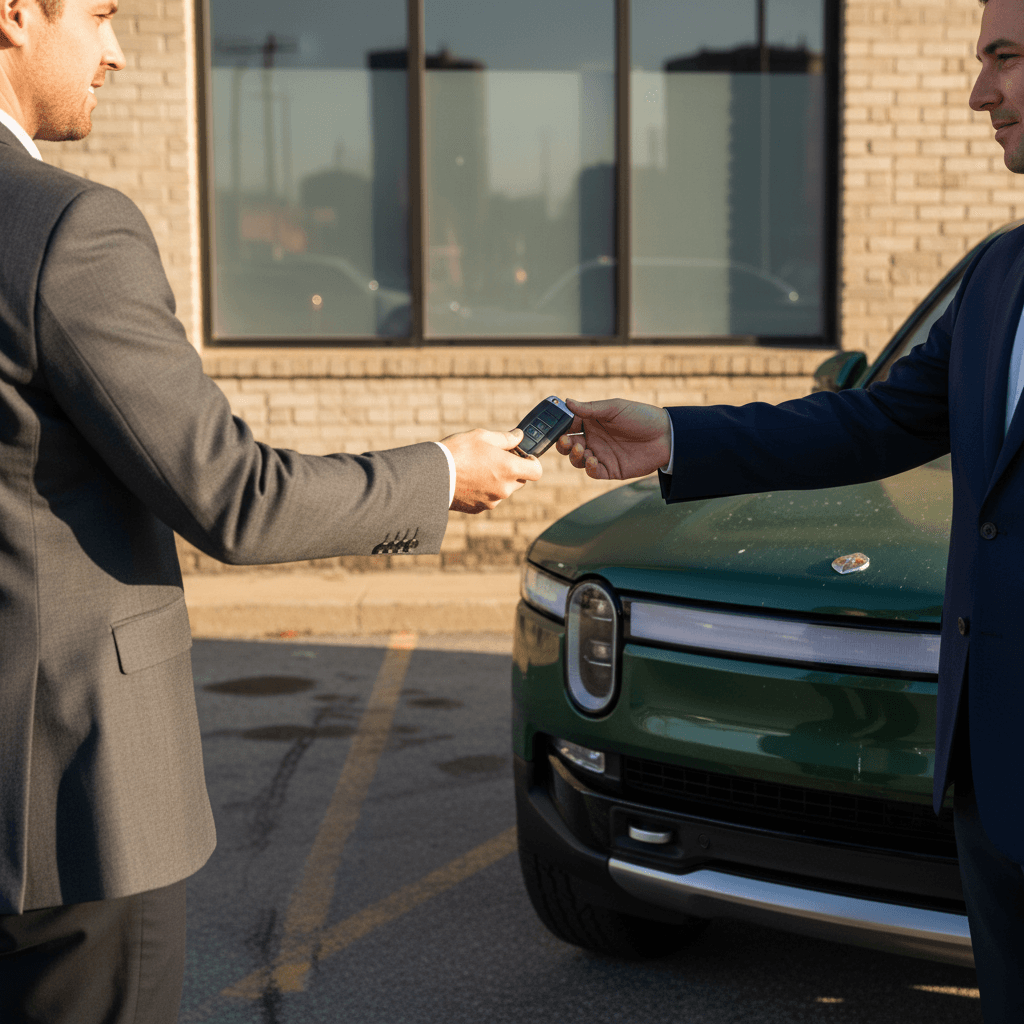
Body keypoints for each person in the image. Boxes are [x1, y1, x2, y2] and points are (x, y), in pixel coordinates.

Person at [0, 0, 542, 1020]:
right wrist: (441, 472)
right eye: (103, 16)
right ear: (18, 15)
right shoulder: (66, 229)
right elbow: (234, 497)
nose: (117, 51)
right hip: (71, 810)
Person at [555, 1, 1024, 1017]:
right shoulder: (997, 277)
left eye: (1005, 58)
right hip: (991, 783)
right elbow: (873, 423)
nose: (979, 92)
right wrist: (673, 437)